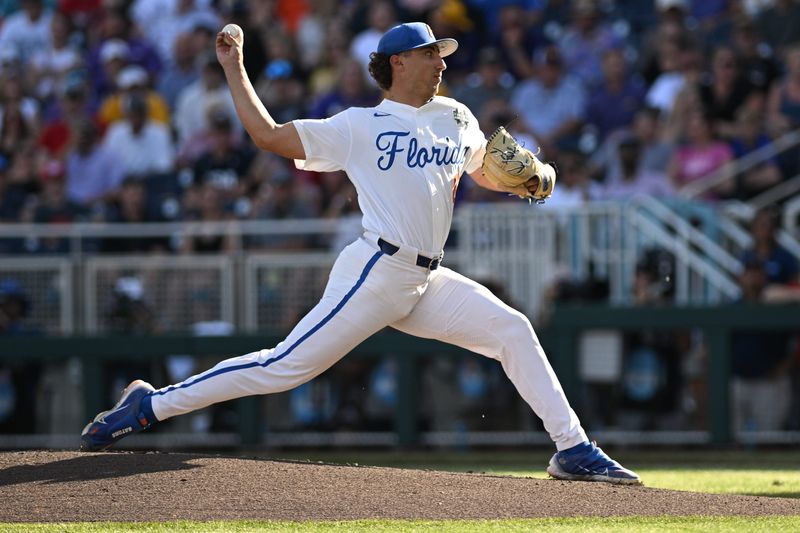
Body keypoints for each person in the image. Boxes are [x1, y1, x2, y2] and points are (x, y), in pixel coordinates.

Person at [80, 21, 640, 485]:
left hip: (427, 280)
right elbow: (270, 137)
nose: (442, 63)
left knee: (513, 330)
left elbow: (486, 170)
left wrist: (529, 179)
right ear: (398, 63)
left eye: (441, 55)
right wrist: (234, 68)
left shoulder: (457, 116)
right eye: (429, 55)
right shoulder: (359, 126)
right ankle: (150, 405)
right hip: (376, 269)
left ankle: (572, 449)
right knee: (284, 367)